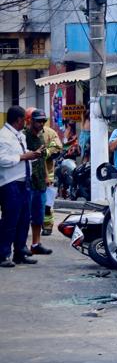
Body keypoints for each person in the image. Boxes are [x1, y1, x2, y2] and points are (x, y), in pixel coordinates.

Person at [0, 106, 42, 267]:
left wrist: (33, 155)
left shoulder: (20, 136)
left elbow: (20, 157)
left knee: (24, 219)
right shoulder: (3, 136)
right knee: (10, 220)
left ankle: (20, 252)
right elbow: (3, 159)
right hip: (9, 183)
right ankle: (3, 254)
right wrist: (24, 156)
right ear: (18, 120)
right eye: (25, 119)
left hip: (24, 181)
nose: (27, 122)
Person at [23, 109, 53, 256]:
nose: (41, 124)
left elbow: (42, 159)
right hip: (28, 182)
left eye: (43, 121)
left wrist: (47, 176)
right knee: (24, 216)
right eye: (38, 121)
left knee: (38, 216)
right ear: (30, 121)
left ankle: (36, 244)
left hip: (41, 182)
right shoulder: (24, 137)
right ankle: (20, 246)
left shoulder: (41, 137)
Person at [41, 118, 62, 233]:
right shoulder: (23, 133)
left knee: (47, 202)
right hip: (28, 173)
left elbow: (58, 146)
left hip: (47, 173)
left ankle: (47, 226)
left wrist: (47, 152)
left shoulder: (50, 133)